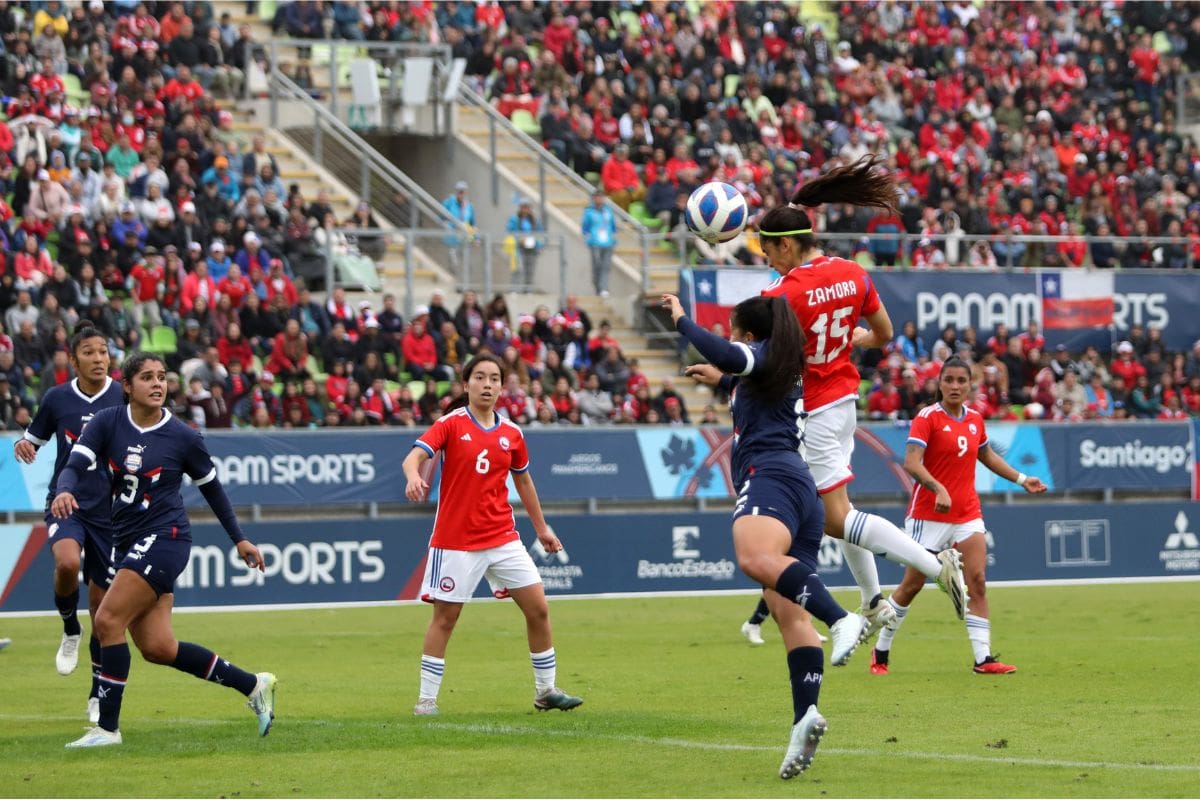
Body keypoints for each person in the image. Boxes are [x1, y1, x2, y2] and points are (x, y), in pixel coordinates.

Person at [758, 156, 968, 639]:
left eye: (769, 250)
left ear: (787, 245)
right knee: (837, 509)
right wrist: (851, 341)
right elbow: (884, 333)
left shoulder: (781, 293)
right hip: (845, 401)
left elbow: (767, 360)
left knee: (835, 519)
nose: (767, 259)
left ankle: (935, 567)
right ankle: (873, 602)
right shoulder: (854, 272)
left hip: (812, 410)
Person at [664, 291, 866, 780]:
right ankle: (805, 718)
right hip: (802, 489)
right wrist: (723, 380)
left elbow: (730, 354)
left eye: (736, 329)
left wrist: (681, 322)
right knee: (785, 612)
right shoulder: (779, 364)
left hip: (771, 476)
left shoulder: (759, 353)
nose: (733, 336)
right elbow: (739, 369)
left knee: (753, 558)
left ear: (750, 334)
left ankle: (842, 619)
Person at [50, 352, 277, 748]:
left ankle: (107, 728)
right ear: (128, 386)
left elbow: (213, 491)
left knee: (106, 621)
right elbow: (75, 462)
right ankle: (254, 685)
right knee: (157, 647)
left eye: (162, 378)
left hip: (166, 538)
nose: (158, 384)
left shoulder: (183, 436)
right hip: (128, 542)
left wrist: (239, 538)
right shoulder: (108, 422)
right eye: (148, 378)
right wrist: (65, 488)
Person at [402, 353, 583, 716]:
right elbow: (413, 457)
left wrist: (541, 528)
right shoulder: (451, 424)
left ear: (503, 386)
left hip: (502, 537)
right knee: (445, 619)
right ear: (466, 383)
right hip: (456, 541)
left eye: (495, 378)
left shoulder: (512, 433)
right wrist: (413, 476)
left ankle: (545, 691)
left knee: (539, 609)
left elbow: (525, 481)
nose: (488, 384)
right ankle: (426, 701)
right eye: (480, 377)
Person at [870, 358, 1047, 675]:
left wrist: (1022, 479)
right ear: (939, 383)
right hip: (928, 516)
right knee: (911, 586)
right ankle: (880, 651)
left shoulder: (975, 419)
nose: (954, 386)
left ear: (969, 385)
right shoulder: (928, 418)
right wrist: (937, 487)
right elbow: (911, 462)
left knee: (977, 581)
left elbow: (987, 456)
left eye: (961, 381)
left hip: (967, 513)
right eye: (949, 380)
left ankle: (983, 659)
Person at [13, 322, 125, 725]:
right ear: (74, 359)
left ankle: (96, 692)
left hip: (111, 514)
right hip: (67, 502)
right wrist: (22, 443)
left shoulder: (122, 396)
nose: (99, 359)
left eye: (104, 352)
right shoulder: (58, 398)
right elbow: (32, 439)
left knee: (103, 609)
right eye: (91, 352)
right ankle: (67, 627)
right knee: (66, 564)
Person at [581, 190, 616, 297]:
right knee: (597, 265)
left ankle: (604, 288)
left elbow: (613, 226)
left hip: (607, 241)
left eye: (601, 197)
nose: (599, 199)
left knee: (606, 266)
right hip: (595, 242)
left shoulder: (608, 211)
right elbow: (585, 227)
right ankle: (598, 287)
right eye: (597, 197)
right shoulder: (589, 211)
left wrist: (611, 236)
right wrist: (589, 237)